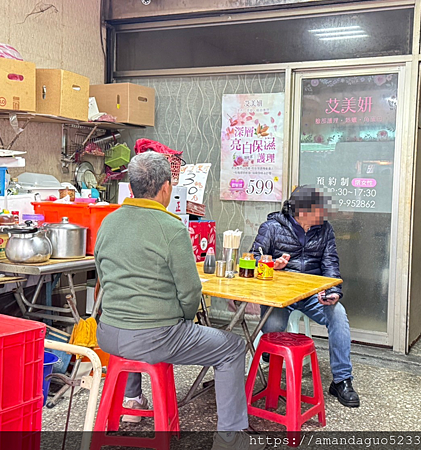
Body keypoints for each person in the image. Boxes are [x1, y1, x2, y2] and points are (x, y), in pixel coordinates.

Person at [95, 151, 263, 450]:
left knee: (139, 327)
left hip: (107, 333)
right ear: (166, 188)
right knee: (233, 348)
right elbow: (190, 291)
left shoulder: (108, 222)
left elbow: (103, 277)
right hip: (154, 337)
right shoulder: (171, 228)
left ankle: (133, 401)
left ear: (131, 187)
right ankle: (230, 439)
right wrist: (184, 321)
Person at [250, 185, 359, 408]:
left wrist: (333, 292)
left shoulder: (325, 230)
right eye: (319, 209)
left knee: (338, 314)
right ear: (302, 212)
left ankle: (342, 380)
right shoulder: (271, 227)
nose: (324, 214)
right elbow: (252, 259)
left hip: (312, 294)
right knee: (273, 327)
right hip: (280, 294)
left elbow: (330, 264)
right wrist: (271, 264)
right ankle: (269, 355)